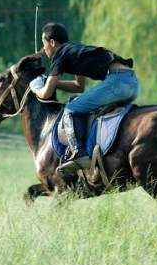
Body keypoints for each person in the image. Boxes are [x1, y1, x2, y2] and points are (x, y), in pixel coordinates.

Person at [30, 23, 140, 173]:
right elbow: (78, 86)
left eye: (44, 44)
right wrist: (53, 83)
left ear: (52, 42)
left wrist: (35, 87)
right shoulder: (75, 49)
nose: (43, 50)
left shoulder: (60, 53)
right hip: (132, 83)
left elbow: (46, 94)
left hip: (117, 83)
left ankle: (79, 153)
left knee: (70, 109)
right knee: (79, 103)